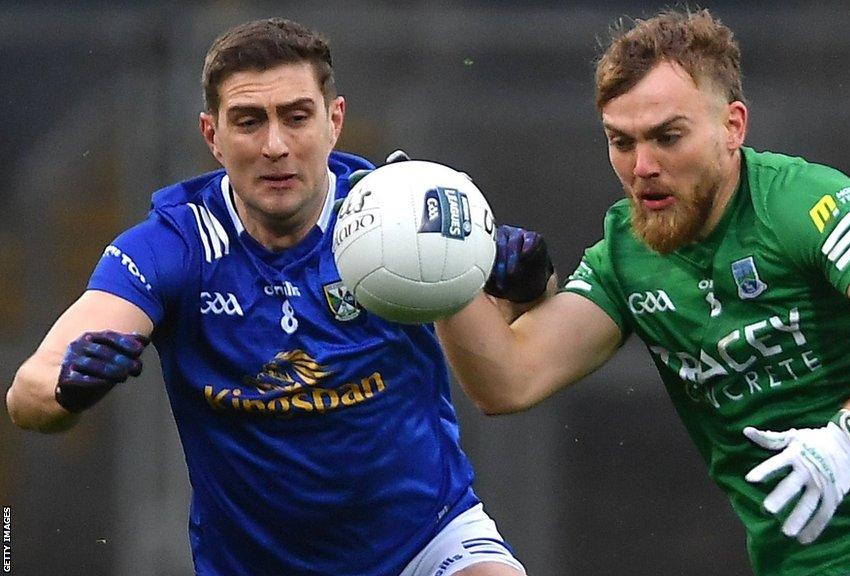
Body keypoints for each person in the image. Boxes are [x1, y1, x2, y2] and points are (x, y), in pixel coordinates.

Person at [434, 9, 850, 576]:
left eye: (668, 137)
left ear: (732, 126)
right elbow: (508, 380)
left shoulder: (795, 203)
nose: (643, 166)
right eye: (621, 141)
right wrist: (444, 271)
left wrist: (848, 439)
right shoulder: (625, 255)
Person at [5, 18, 526, 576]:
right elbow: (27, 397)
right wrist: (68, 386)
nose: (275, 146)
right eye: (248, 122)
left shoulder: (399, 218)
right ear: (212, 137)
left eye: (297, 117)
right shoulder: (173, 247)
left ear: (335, 121)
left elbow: (506, 341)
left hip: (427, 541)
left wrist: (525, 282)